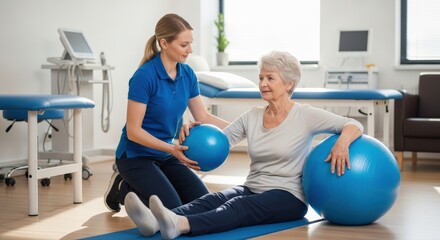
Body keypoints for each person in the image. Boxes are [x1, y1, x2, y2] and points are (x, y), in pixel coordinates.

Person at [123, 51, 364, 239]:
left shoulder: (306, 115)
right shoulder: (253, 116)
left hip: (289, 197)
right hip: (253, 187)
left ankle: (180, 225)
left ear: (289, 84)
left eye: (270, 78)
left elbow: (353, 124)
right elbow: (220, 140)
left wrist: (342, 143)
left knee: (238, 207)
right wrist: (193, 133)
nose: (263, 83)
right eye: (261, 77)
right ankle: (156, 221)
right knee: (213, 200)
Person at [104, 13, 229, 212]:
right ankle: (124, 186)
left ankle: (141, 185)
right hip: (136, 156)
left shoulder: (187, 74)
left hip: (166, 153)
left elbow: (203, 117)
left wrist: (243, 128)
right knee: (173, 209)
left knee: (204, 204)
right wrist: (172, 149)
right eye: (184, 44)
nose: (190, 50)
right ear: (164, 43)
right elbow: (133, 132)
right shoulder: (144, 76)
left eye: (191, 43)